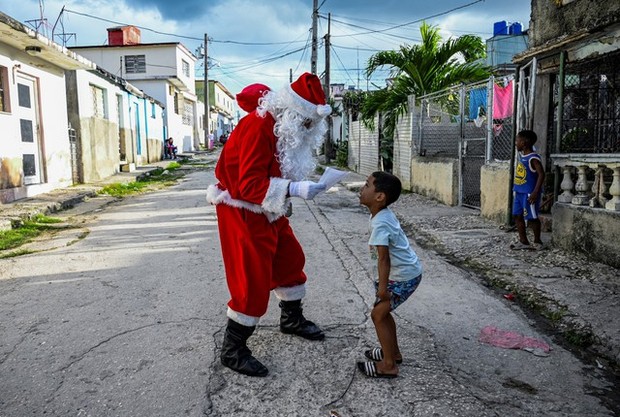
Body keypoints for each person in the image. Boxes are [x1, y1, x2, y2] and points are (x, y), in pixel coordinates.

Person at [206, 73, 332, 377]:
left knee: (289, 259)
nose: (306, 130)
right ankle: (232, 350)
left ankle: (291, 319)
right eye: (304, 123)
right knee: (251, 278)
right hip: (242, 210)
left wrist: (294, 187)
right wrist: (294, 189)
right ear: (291, 112)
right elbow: (248, 184)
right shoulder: (258, 125)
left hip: (267, 209)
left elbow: (273, 172)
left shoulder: (279, 128)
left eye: (311, 126)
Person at [357, 171, 423, 378]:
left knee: (378, 314)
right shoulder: (380, 214)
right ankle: (392, 353)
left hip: (402, 276)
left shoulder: (380, 222)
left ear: (380, 197)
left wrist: (383, 289)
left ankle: (388, 365)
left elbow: (383, 259)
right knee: (383, 313)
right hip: (404, 273)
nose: (362, 188)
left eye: (367, 185)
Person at [510, 129, 545, 250]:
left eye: (517, 140)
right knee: (517, 215)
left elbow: (541, 174)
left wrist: (535, 192)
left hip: (529, 193)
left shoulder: (533, 158)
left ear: (524, 142)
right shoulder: (522, 156)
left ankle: (537, 241)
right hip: (519, 191)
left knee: (532, 217)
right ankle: (523, 241)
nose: (516, 143)